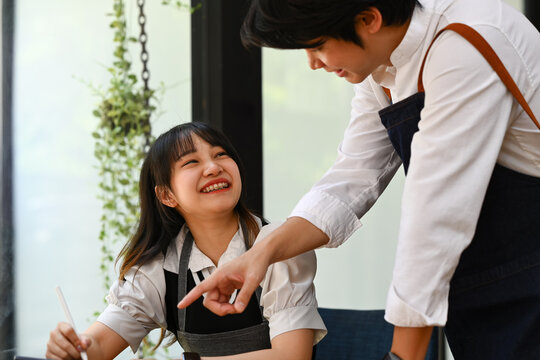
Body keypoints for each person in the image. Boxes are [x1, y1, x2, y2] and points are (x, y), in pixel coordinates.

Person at [178, 0, 540, 359]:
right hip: (482, 281)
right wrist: (261, 254)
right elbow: (354, 175)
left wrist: (402, 356)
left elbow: (436, 215)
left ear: (368, 19)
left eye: (318, 45)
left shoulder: (463, 47)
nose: (313, 63)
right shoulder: (383, 63)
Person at [46, 122, 326, 360]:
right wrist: (73, 347)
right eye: (192, 162)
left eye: (221, 155)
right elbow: (99, 344)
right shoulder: (158, 267)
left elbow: (291, 356)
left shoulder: (279, 245)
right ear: (167, 195)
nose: (213, 167)